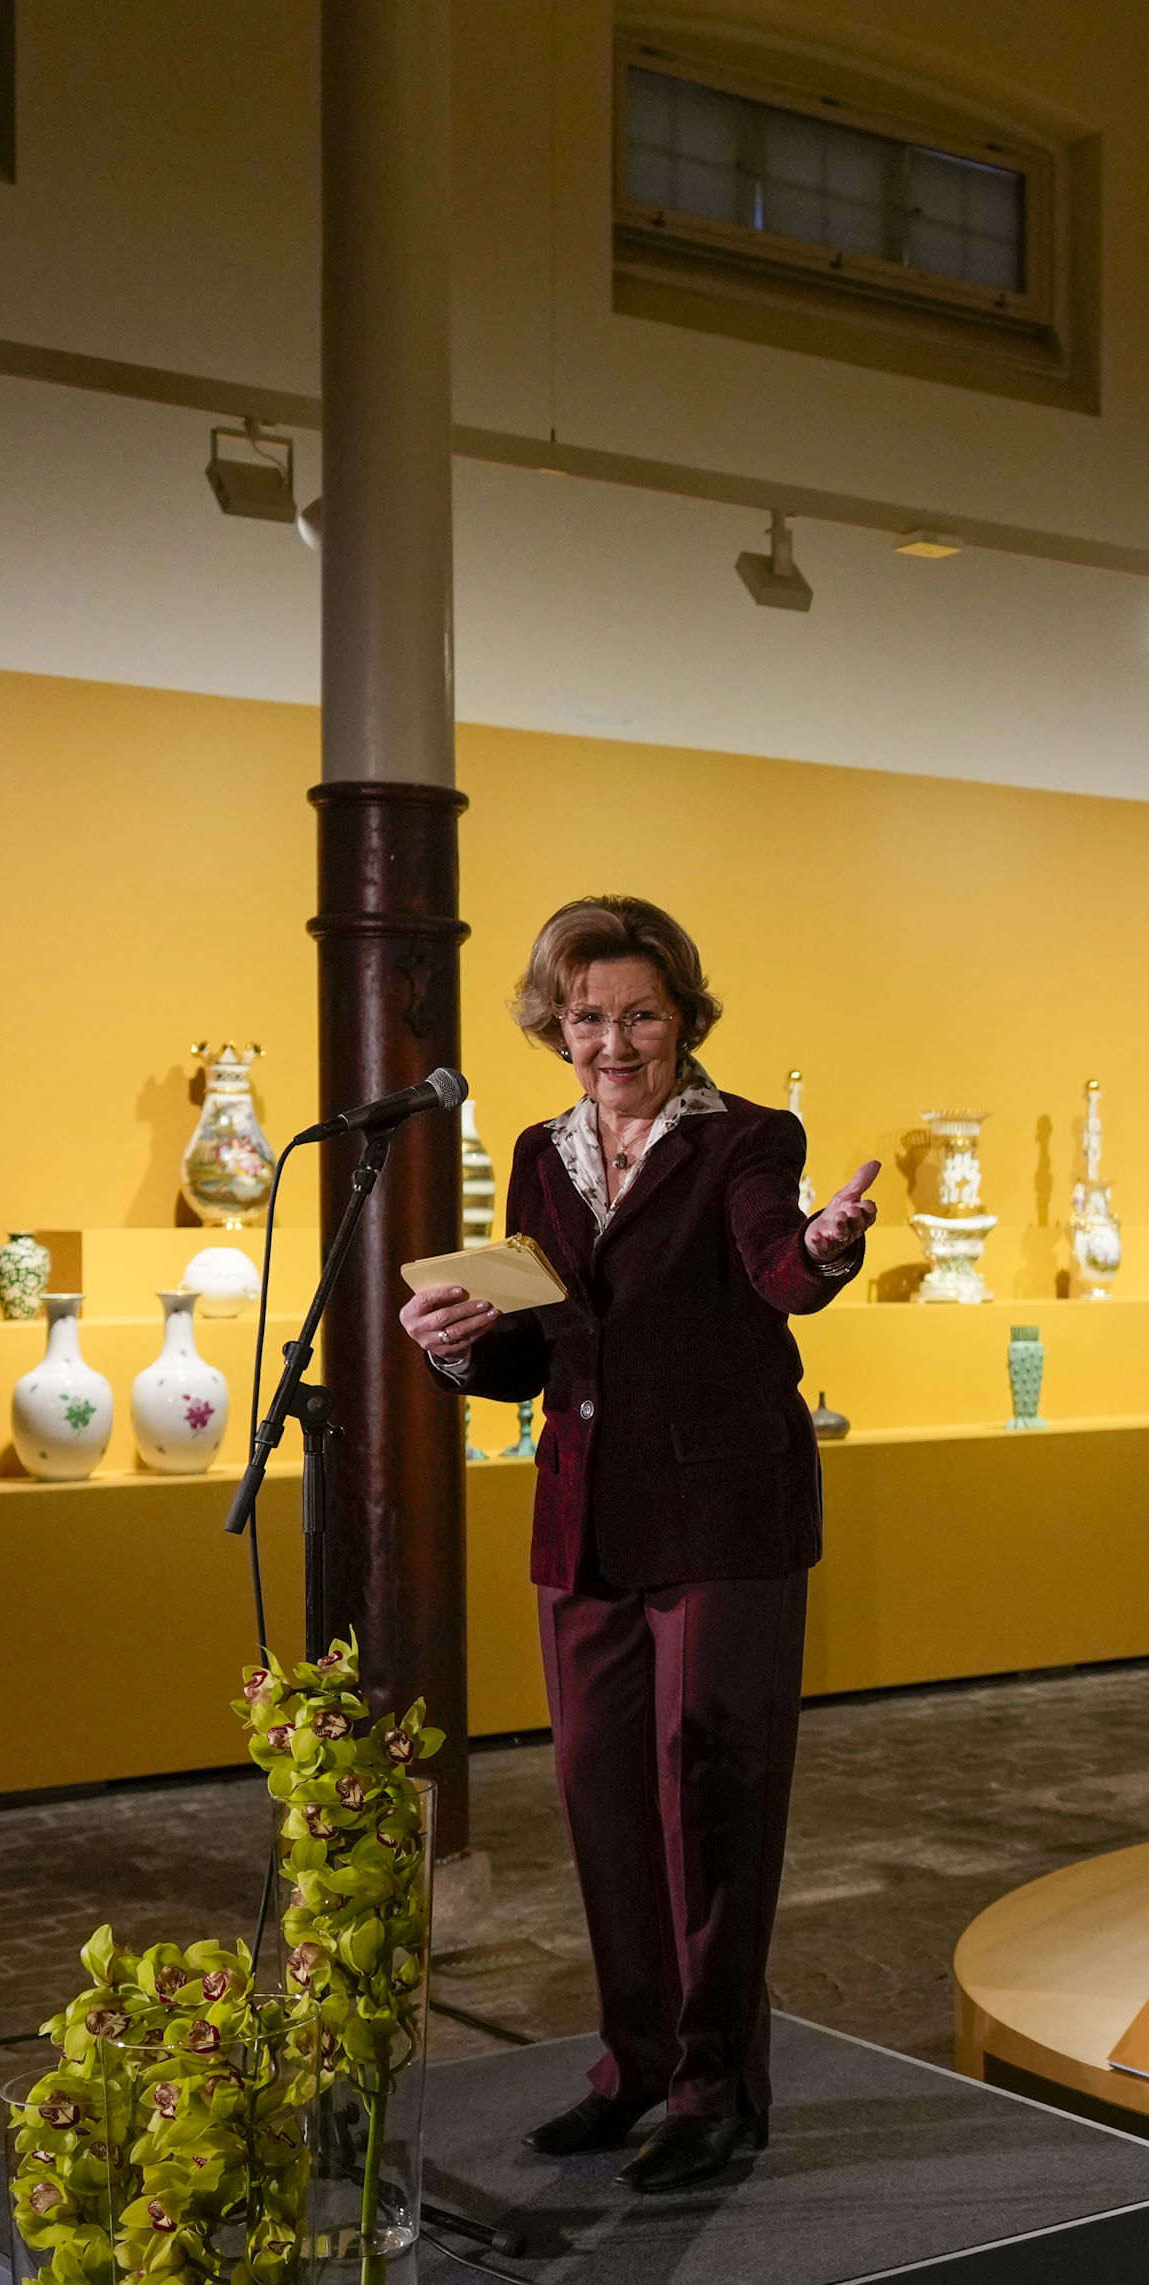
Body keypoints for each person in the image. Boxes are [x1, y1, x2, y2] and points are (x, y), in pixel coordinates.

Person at [399, 896, 880, 2193]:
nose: (613, 1040)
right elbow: (536, 1340)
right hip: (585, 1513)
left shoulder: (746, 1141)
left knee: (710, 1794)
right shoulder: (540, 1154)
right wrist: (456, 1348)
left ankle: (717, 2090)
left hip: (724, 1515)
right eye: (587, 1015)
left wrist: (827, 1248)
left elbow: (774, 1263)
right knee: (601, 1800)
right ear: (556, 1024)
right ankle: (631, 2067)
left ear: (684, 1018)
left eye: (640, 1013)